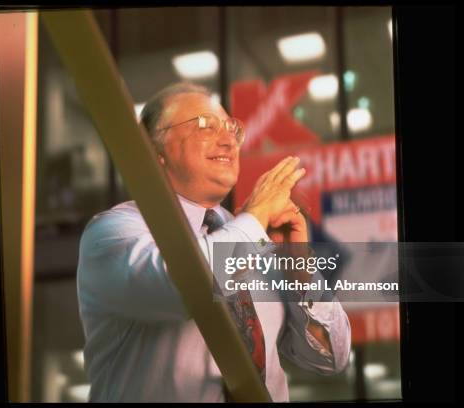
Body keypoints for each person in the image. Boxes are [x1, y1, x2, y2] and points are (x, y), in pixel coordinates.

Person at [76, 82, 351, 402]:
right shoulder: (112, 233)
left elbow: (332, 358)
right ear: (155, 151)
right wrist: (256, 218)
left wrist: (297, 265)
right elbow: (188, 287)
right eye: (205, 126)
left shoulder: (253, 239)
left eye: (233, 130)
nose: (228, 141)